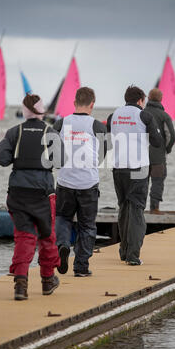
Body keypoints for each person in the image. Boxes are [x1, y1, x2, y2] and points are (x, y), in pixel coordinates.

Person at [0, 94, 62, 300]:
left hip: (18, 193)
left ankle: (20, 284)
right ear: (42, 111)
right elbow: (61, 161)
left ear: (24, 111)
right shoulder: (51, 132)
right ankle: (47, 280)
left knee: (24, 237)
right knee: (47, 236)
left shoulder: (15, 132)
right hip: (43, 193)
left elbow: (0, 158)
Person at [53, 87, 107, 277]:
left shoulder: (60, 124)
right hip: (88, 183)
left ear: (74, 102)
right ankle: (81, 267)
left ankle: (62, 245)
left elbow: (52, 154)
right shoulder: (98, 126)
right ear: (92, 104)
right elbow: (103, 155)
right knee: (87, 226)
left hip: (65, 182)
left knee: (62, 218)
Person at [107, 86, 162, 266]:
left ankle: (123, 251)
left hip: (118, 167)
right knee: (136, 209)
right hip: (138, 168)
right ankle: (133, 255)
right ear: (140, 100)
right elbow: (157, 141)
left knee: (123, 207)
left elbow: (108, 138)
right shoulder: (145, 116)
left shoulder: (113, 115)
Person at [145, 88, 175, 214]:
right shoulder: (164, 116)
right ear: (161, 100)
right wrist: (166, 149)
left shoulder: (141, 113)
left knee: (141, 183)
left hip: (141, 156)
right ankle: (154, 208)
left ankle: (138, 208)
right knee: (157, 182)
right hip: (158, 157)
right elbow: (171, 136)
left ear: (148, 98)